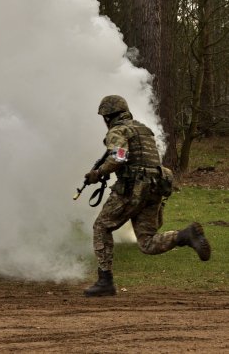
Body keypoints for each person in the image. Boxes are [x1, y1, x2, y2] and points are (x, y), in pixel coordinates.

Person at [83, 95, 211, 297]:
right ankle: (184, 235)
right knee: (147, 243)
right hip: (155, 187)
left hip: (133, 187)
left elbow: (118, 157)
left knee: (101, 226)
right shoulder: (143, 129)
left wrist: (98, 174)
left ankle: (105, 280)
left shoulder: (118, 130)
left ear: (108, 116)